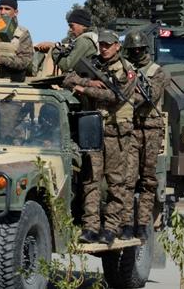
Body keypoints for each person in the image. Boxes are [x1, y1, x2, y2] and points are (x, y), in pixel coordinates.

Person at [63, 30, 138, 245]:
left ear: (117, 46)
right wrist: (89, 83)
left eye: (108, 45)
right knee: (91, 180)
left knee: (115, 182)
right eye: (102, 45)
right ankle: (91, 227)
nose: (104, 48)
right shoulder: (91, 63)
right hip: (93, 130)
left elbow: (115, 97)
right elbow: (68, 77)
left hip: (115, 133)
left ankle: (112, 227)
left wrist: (84, 89)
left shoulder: (126, 71)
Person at [123, 29, 168, 241]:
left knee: (148, 180)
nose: (137, 53)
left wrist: (126, 94)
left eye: (140, 49)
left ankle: (142, 223)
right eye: (133, 50)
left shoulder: (158, 71)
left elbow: (149, 95)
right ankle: (125, 223)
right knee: (128, 179)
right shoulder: (124, 68)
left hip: (151, 129)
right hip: (131, 128)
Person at [0, 0, 34, 82]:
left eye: (7, 9)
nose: (3, 12)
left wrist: (1, 59)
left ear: (16, 12)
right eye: (0, 8)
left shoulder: (22, 34)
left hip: (11, 84)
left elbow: (25, 62)